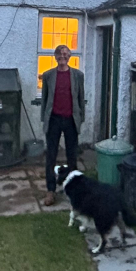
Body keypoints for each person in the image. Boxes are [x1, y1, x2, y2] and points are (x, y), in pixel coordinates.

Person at [39, 44, 86, 206]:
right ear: (55, 56)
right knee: (51, 156)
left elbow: (81, 99)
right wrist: (44, 119)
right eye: (59, 54)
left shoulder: (78, 75)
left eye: (65, 54)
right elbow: (44, 100)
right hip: (54, 120)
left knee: (72, 156)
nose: (62, 56)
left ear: (70, 56)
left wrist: (81, 119)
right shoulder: (48, 75)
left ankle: (73, 189)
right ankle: (50, 190)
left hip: (71, 120)